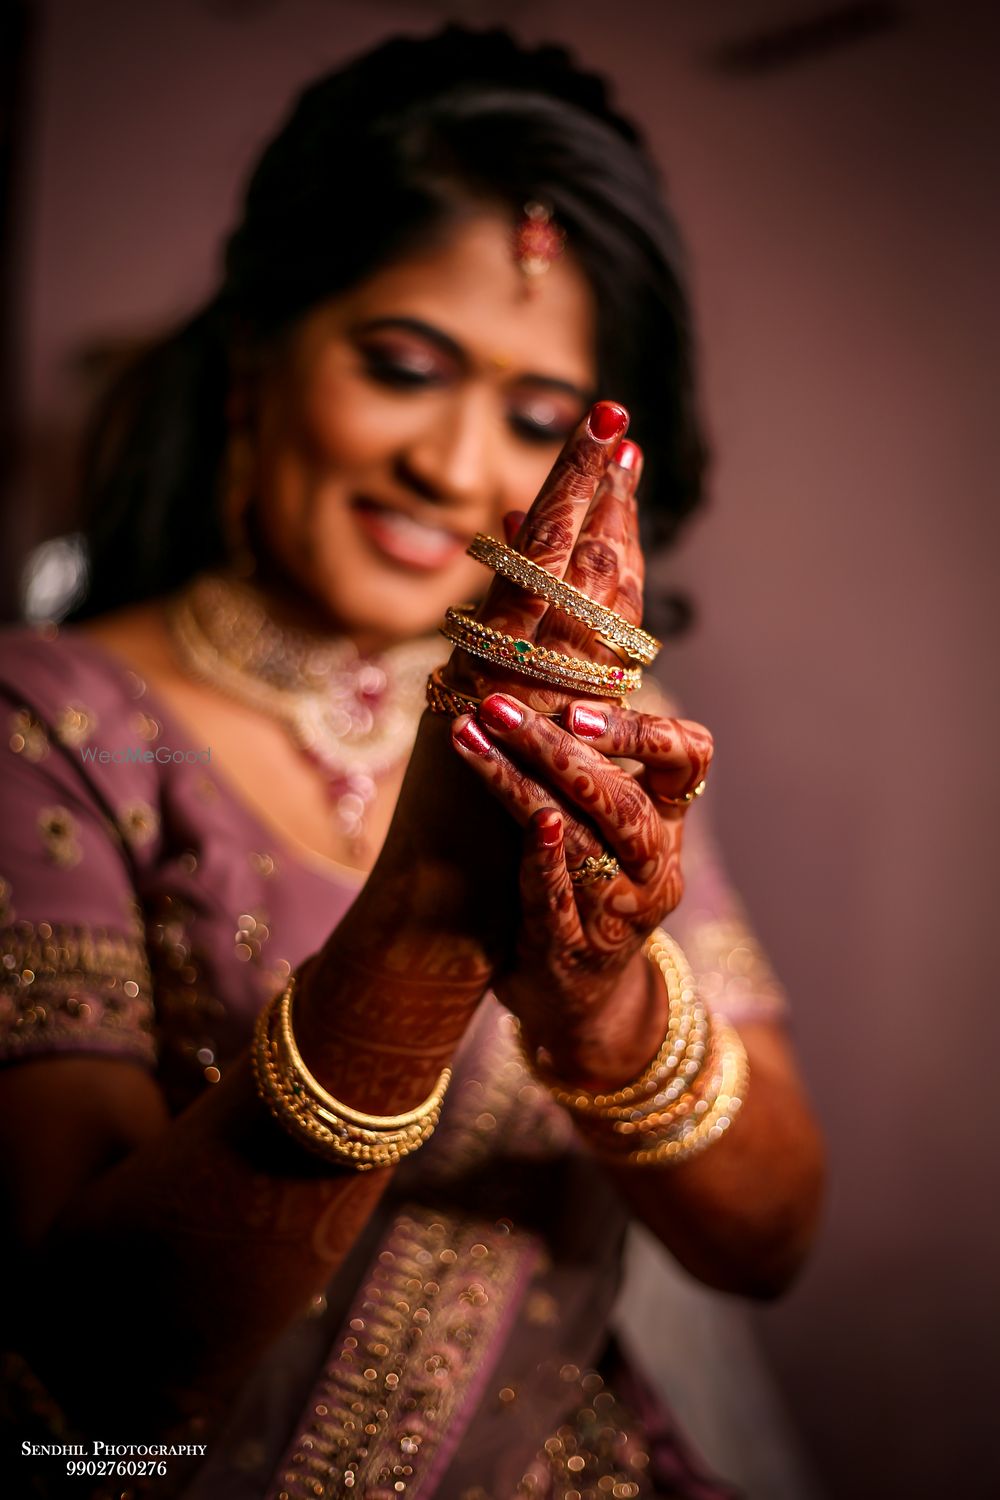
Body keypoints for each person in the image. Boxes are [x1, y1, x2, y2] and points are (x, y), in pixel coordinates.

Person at [0, 26, 824, 1500]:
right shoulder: (53, 716)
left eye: (532, 416)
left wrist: (606, 1011)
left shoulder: (583, 742)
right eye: (401, 365)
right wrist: (435, 916)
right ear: (257, 353)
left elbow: (767, 1244)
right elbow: (95, 1377)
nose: (453, 465)